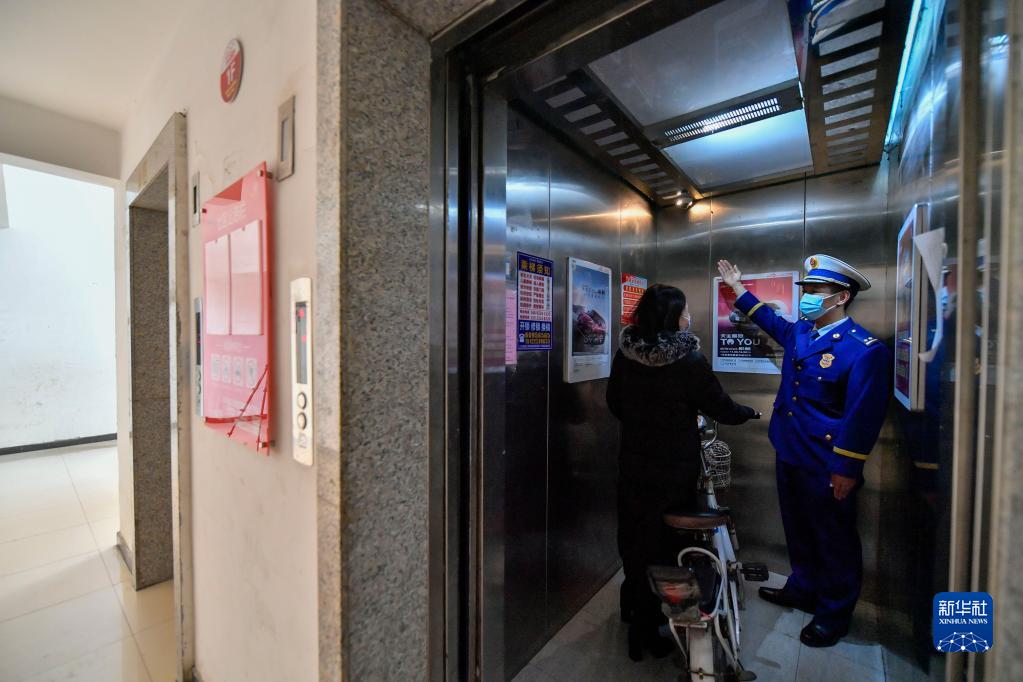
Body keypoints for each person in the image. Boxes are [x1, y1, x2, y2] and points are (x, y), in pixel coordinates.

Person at [716, 255, 892, 648]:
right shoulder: (801, 332)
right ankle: (803, 588)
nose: (807, 297)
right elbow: (768, 319)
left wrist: (847, 468)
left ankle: (834, 613)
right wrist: (737, 286)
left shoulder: (863, 349)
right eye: (806, 290)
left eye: (815, 291)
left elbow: (863, 416)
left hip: (827, 463)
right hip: (789, 449)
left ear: (841, 297)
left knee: (834, 538)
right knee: (798, 528)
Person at [606, 284, 759, 661]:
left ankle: (636, 620)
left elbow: (614, 403)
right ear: (674, 316)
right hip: (673, 471)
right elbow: (719, 406)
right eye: (685, 310)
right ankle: (661, 623)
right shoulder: (689, 360)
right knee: (668, 547)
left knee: (635, 542)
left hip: (633, 466)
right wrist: (747, 413)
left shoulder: (625, 355)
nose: (688, 316)